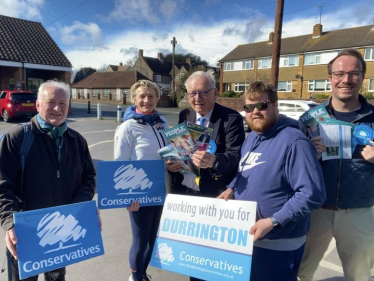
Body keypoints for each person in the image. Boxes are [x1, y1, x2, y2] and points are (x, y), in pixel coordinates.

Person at [219, 81, 326, 281]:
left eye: (262, 105)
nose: (255, 112)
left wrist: (273, 221)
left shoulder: (295, 142)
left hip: (279, 243)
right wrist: (232, 188)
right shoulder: (252, 136)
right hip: (249, 239)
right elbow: (245, 168)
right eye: (249, 107)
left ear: (275, 105)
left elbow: (312, 194)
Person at [0, 80, 96, 281]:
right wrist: (9, 222)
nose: (57, 108)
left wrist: (82, 207)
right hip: (26, 232)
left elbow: (88, 177)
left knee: (57, 278)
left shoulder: (77, 141)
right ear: (37, 105)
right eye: (51, 102)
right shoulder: (17, 137)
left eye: (62, 103)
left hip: (62, 231)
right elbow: (2, 185)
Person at [297, 49, 374, 281]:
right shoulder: (309, 118)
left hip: (359, 213)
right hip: (316, 210)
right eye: (339, 74)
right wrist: (310, 157)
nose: (346, 80)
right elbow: (292, 167)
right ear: (330, 78)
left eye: (354, 74)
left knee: (359, 276)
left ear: (362, 77)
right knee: (301, 272)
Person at [114, 80, 170, 281]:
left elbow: (169, 152)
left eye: (151, 96)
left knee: (153, 238)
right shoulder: (127, 127)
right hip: (138, 191)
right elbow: (119, 164)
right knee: (140, 240)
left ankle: (143, 274)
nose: (147, 100)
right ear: (134, 99)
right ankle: (135, 277)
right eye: (142, 96)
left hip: (161, 188)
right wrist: (125, 198)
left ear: (157, 98)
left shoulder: (163, 123)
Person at [167, 70, 245, 197]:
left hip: (215, 193)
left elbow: (236, 156)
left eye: (203, 92)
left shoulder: (231, 118)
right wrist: (172, 162)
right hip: (186, 191)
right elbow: (181, 149)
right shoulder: (184, 115)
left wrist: (214, 161)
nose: (197, 98)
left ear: (215, 93)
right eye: (193, 93)